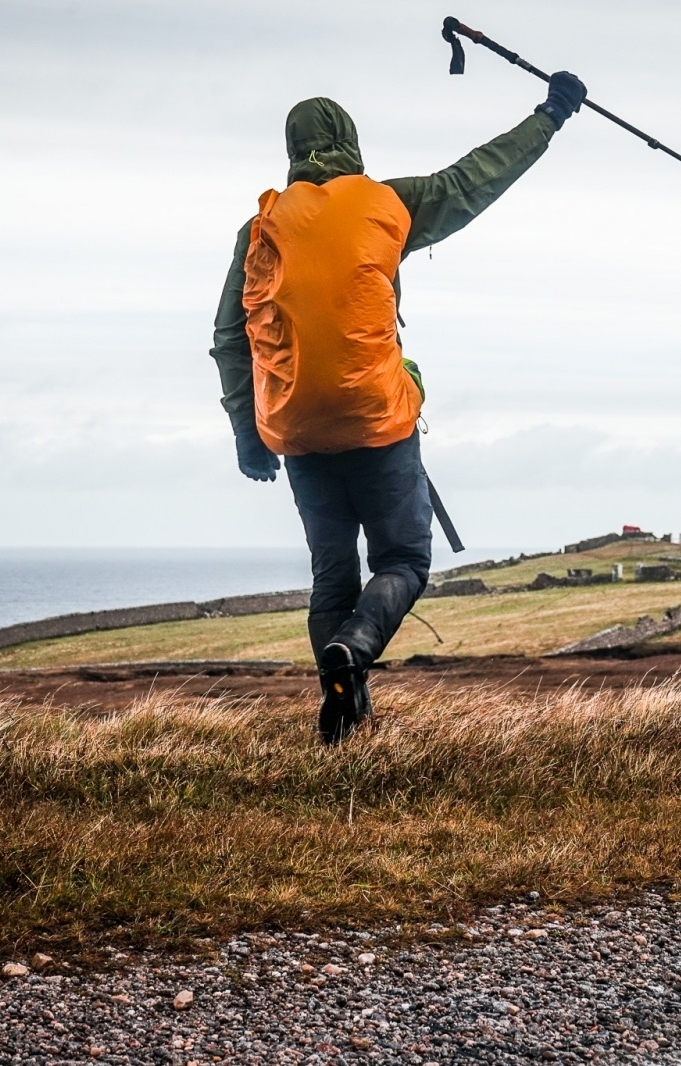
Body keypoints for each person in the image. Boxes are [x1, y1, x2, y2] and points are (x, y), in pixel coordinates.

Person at [208, 73, 586, 744]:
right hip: (379, 421)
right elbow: (475, 179)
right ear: (350, 142)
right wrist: (550, 115)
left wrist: (248, 436)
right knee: (405, 561)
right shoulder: (387, 204)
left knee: (332, 575)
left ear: (292, 149)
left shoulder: (260, 229)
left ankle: (347, 721)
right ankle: (354, 648)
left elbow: (229, 338)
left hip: (296, 431)